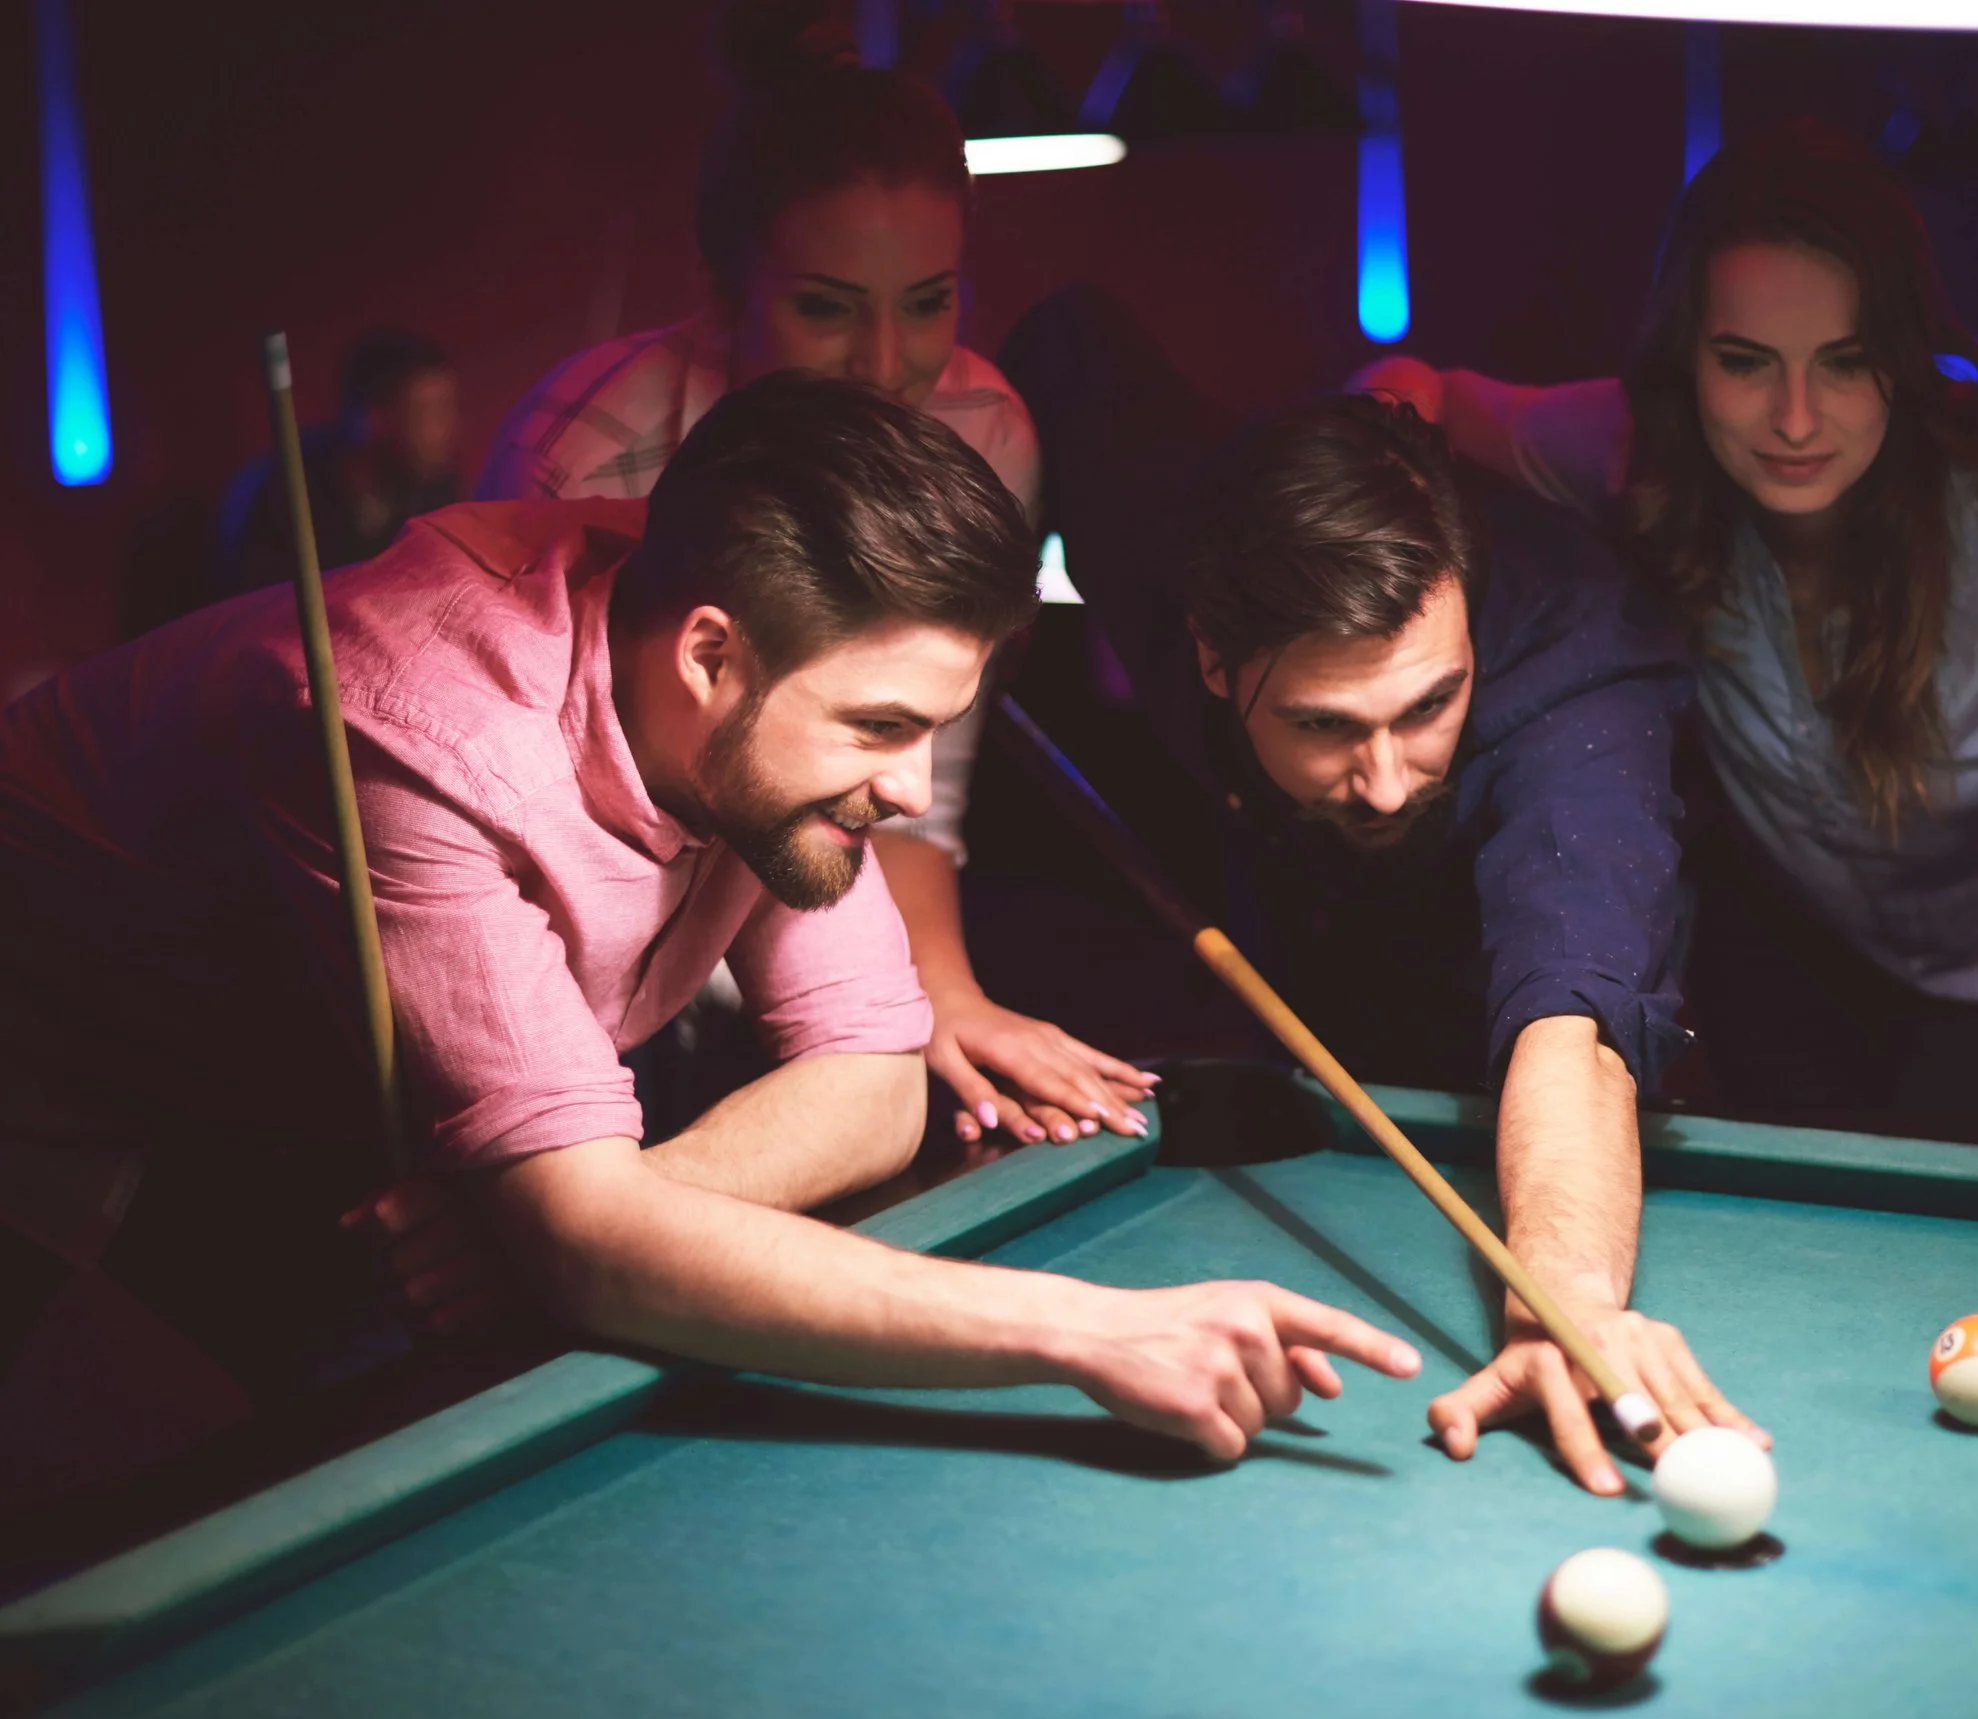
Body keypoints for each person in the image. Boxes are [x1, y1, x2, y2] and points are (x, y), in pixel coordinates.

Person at [0, 374, 1419, 1458]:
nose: (908, 790)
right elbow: (585, 1246)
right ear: (709, 658)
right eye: (878, 726)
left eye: (935, 727)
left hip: (289, 1070)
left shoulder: (769, 695)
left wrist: (585, 1220)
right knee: (138, 1510)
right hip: (55, 1076)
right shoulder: (414, 739)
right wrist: (1093, 1331)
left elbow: (875, 1086)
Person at [1356, 121, 1978, 1204]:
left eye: (1846, 363)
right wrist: (1360, 485)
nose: (1794, 419)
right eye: (1744, 363)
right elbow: (1422, 389)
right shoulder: (1630, 451)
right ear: (1683, 357)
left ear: (1905, 359)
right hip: (1786, 964)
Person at [1001, 287, 1764, 1499]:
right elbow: (1072, 337)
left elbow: (1571, 1031)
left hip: (1490, 967)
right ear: (1210, 654)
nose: (1387, 776)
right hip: (1292, 917)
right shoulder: (1151, 526)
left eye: (1426, 706)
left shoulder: (1579, 705)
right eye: (1324, 724)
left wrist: (1559, 1312)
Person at [477, 1, 1142, 1152]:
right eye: (826, 308)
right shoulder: (587, 452)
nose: (888, 368)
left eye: (928, 302)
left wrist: (944, 998)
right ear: (726, 292)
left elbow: (916, 785)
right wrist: (530, 1155)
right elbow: (521, 832)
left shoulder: (985, 435)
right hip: (568, 952)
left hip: (824, 924)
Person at [216, 327, 462, 596]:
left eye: (448, 409)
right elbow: (259, 610)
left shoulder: (435, 489)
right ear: (371, 419)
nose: (448, 429)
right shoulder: (282, 495)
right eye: (428, 413)